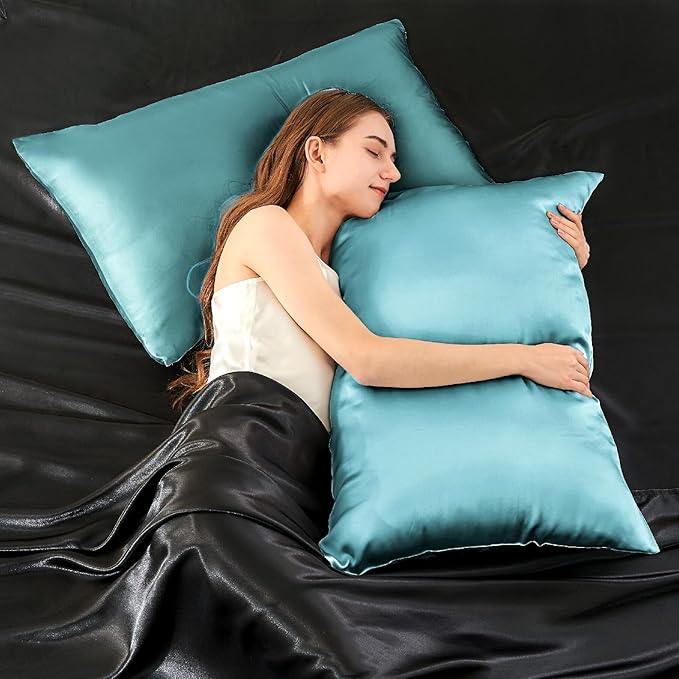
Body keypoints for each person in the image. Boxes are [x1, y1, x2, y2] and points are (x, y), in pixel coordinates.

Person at [167, 87, 593, 432]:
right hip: (237, 457)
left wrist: (555, 262)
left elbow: (456, 306)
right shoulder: (267, 225)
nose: (394, 173)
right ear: (317, 153)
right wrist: (524, 359)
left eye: (393, 160)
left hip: (297, 479)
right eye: (374, 152)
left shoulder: (346, 270)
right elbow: (368, 360)